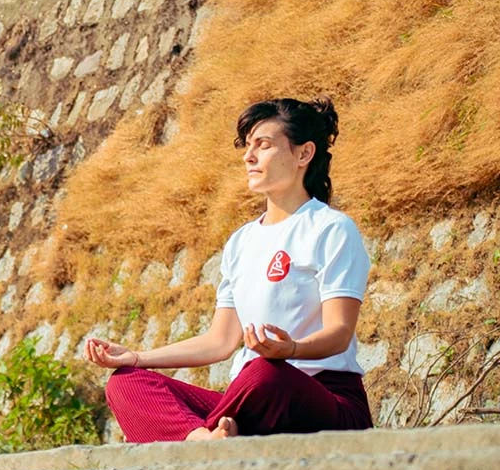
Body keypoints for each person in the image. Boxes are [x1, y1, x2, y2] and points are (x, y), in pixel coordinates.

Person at [85, 97, 373, 442]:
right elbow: (220, 342)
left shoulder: (330, 229)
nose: (248, 157)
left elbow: (340, 333)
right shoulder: (242, 241)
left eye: (263, 145)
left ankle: (206, 434)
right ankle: (204, 441)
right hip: (250, 400)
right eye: (247, 147)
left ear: (303, 154)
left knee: (266, 373)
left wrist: (291, 350)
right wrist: (136, 357)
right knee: (126, 382)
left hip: (319, 397)